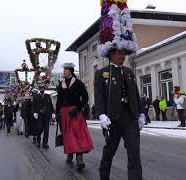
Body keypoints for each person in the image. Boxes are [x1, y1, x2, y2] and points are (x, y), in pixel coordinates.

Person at [95, 1, 145, 179]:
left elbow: (135, 95)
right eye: (118, 53)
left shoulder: (129, 73)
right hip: (113, 118)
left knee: (134, 155)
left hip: (130, 118)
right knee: (109, 152)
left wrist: (140, 113)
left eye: (124, 53)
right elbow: (99, 97)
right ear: (111, 54)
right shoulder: (102, 74)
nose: (122, 56)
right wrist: (101, 115)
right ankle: (104, 176)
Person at [56, 62, 94, 170]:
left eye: (66, 69)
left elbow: (85, 98)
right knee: (67, 134)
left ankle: (79, 158)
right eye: (64, 69)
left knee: (78, 134)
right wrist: (57, 112)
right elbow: (59, 100)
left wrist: (78, 108)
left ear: (71, 71)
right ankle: (70, 152)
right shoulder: (60, 84)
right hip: (64, 113)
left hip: (75, 112)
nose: (64, 71)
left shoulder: (78, 83)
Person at [32, 84, 55, 149]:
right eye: (41, 88)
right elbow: (33, 106)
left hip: (46, 115)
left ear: (44, 89)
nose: (42, 89)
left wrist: (53, 112)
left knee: (46, 131)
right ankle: (39, 141)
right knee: (39, 129)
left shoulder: (47, 96)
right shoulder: (36, 96)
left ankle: (45, 143)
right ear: (39, 89)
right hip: (39, 116)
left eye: (43, 88)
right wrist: (34, 113)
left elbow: (51, 105)